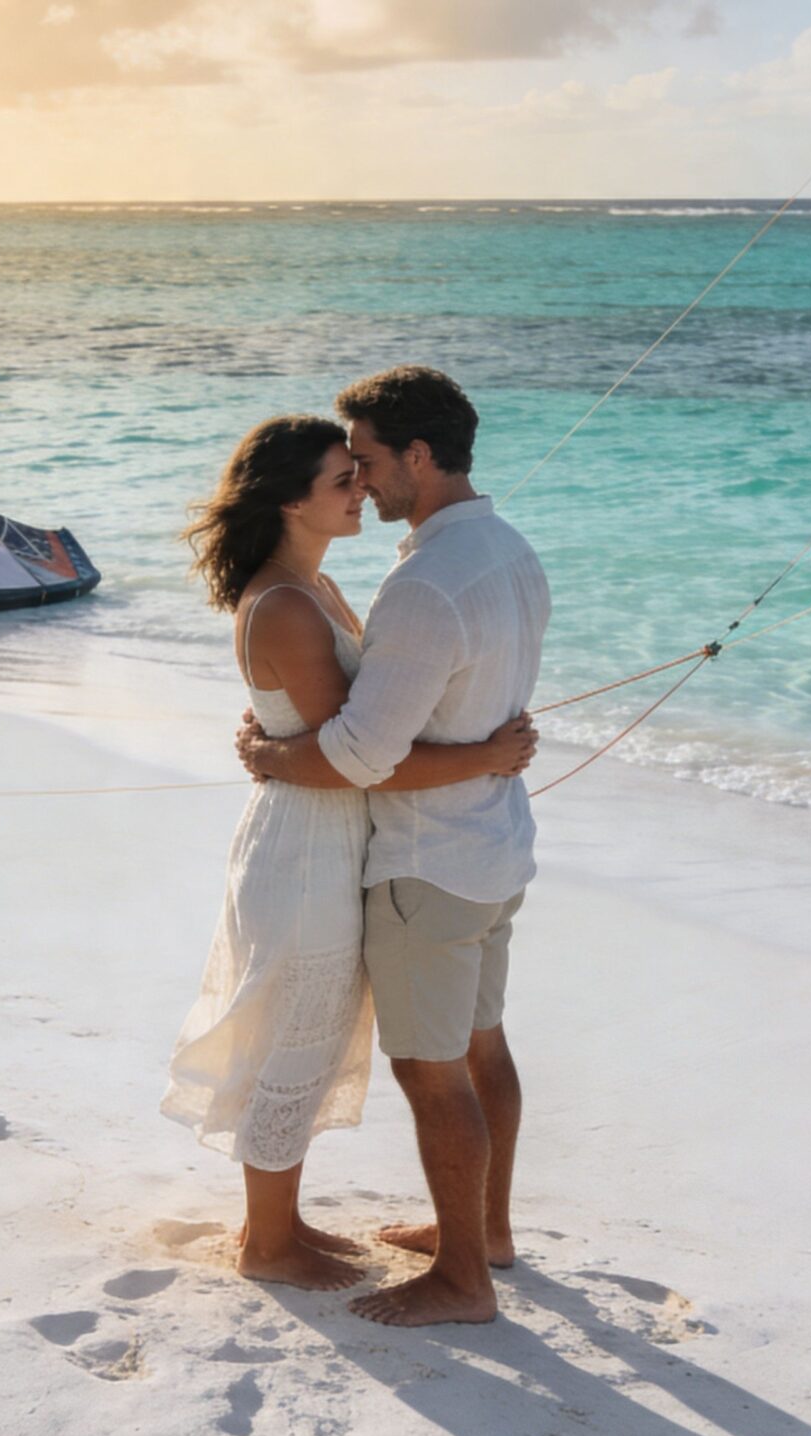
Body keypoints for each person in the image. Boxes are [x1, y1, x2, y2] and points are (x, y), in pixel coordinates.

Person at [164, 414, 538, 1292]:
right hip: (308, 843)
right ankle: (267, 1242)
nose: (361, 490)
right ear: (291, 501)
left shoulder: (318, 590)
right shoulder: (289, 605)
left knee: (314, 1027)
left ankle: (283, 1222)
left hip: (331, 833)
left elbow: (353, 746)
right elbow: (354, 762)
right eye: (343, 480)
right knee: (293, 1032)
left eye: (358, 473)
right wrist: (485, 757)